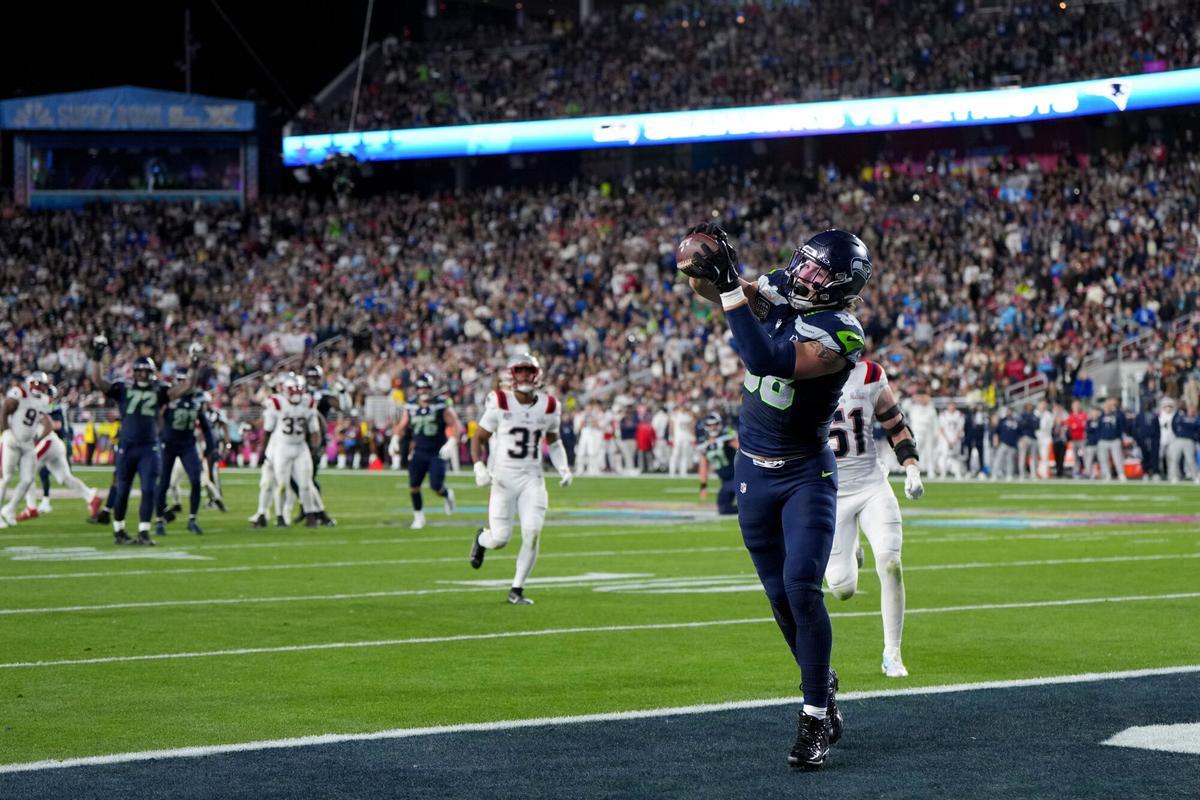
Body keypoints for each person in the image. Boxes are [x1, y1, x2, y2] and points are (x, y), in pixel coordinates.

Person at [682, 224, 873, 770]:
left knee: (802, 589)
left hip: (803, 475)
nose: (805, 273)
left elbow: (765, 360)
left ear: (842, 285)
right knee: (777, 596)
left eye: (820, 271)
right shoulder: (782, 287)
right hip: (752, 472)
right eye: (806, 262)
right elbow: (721, 289)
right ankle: (823, 683)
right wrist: (709, 266)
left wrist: (728, 292)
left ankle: (814, 716)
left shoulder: (843, 331)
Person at [825, 360, 924, 679]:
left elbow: (895, 424)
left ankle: (892, 653)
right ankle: (852, 542)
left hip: (871, 485)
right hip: (831, 491)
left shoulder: (868, 374)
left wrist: (911, 466)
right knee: (842, 589)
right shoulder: (803, 370)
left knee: (891, 563)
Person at [469, 353, 572, 605]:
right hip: (503, 479)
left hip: (532, 478)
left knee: (533, 532)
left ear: (536, 375)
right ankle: (482, 539)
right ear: (512, 375)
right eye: (520, 371)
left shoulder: (549, 405)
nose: (525, 375)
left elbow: (554, 441)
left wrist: (564, 467)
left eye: (529, 371)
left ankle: (517, 589)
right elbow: (478, 438)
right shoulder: (500, 401)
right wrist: (478, 466)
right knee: (500, 539)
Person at [90, 340, 201, 544]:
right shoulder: (123, 387)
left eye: (146, 371)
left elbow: (186, 387)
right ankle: (119, 530)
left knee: (150, 489)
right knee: (122, 490)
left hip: (149, 447)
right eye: (140, 371)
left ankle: (143, 531)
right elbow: (98, 381)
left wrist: (194, 364)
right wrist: (96, 356)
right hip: (127, 445)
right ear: (135, 372)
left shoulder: (159, 390)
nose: (143, 375)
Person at [17, 385, 103, 521]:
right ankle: (91, 497)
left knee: (27, 471)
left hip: (49, 442)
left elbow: (55, 425)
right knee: (64, 478)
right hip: (54, 444)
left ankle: (31, 507)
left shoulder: (51, 407)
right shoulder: (40, 406)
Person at [250, 373, 324, 527]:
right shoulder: (276, 402)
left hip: (300, 446)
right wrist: (263, 452)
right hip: (282, 447)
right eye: (293, 390)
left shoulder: (308, 403)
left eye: (298, 390)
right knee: (281, 484)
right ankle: (279, 516)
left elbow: (315, 430)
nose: (296, 393)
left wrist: (315, 450)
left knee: (305, 484)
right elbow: (268, 430)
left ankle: (311, 515)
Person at [390, 373, 459, 530]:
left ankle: (447, 494)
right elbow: (402, 425)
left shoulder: (440, 404)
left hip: (437, 451)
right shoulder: (411, 405)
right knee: (414, 486)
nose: (423, 391)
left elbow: (455, 424)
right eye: (420, 388)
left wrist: (452, 441)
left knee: (436, 486)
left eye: (426, 387)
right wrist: (394, 438)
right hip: (419, 451)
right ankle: (419, 517)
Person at [154, 367, 216, 536]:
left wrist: (212, 446)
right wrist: (159, 437)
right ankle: (159, 520)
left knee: (196, 481)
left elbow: (205, 426)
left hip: (188, 444)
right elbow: (155, 417)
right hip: (169, 444)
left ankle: (192, 519)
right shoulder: (168, 399)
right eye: (181, 382)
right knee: (164, 482)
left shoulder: (196, 401)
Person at [0, 372, 55, 527]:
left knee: (28, 479)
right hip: (12, 439)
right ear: (33, 383)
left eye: (44, 385)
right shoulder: (20, 393)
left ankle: (9, 509)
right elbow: (5, 408)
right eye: (41, 384)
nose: (43, 387)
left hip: (28, 444)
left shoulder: (44, 400)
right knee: (5, 479)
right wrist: (5, 431)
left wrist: (37, 439)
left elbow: (47, 423)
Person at [697, 413, 738, 515]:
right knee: (723, 509)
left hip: (737, 477)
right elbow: (703, 466)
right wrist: (703, 486)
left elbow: (742, 450)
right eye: (710, 425)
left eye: (715, 424)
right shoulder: (704, 443)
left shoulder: (727, 437)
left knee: (748, 503)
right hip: (725, 481)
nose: (713, 427)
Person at [904, 392, 938, 476]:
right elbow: (904, 406)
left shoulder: (931, 408)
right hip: (917, 433)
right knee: (916, 452)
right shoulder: (914, 407)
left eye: (925, 397)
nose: (923, 399)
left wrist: (935, 434)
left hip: (928, 433)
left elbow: (935, 423)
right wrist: (914, 398)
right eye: (922, 397)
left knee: (929, 452)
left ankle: (931, 471)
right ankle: (913, 471)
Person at [1167, 401, 1199, 482]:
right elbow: (1173, 425)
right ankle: (1173, 477)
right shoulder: (1179, 415)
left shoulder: (1195, 418)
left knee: (1190, 460)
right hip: (1179, 439)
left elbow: (1196, 427)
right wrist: (1177, 434)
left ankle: (1195, 476)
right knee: (1174, 459)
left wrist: (1194, 437)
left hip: (1189, 440)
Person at [1096, 397, 1127, 481]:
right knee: (1103, 459)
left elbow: (1123, 423)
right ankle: (1107, 474)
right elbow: (1097, 426)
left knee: (1118, 458)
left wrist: (1115, 410)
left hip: (1114, 439)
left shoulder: (1118, 414)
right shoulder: (1101, 414)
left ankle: (1121, 474)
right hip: (1103, 439)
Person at [935, 400, 966, 479]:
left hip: (956, 438)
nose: (951, 407)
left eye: (953, 405)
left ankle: (957, 473)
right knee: (944, 456)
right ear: (948, 406)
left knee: (957, 456)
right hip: (946, 438)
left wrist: (955, 439)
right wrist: (948, 440)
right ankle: (943, 473)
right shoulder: (943, 415)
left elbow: (961, 428)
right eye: (950, 405)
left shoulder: (959, 415)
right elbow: (941, 429)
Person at [1133, 403, 1161, 480]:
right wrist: (1137, 439)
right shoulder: (1140, 416)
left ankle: (1155, 472)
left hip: (1153, 439)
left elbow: (1157, 428)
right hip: (1143, 439)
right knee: (1145, 457)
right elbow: (1135, 428)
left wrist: (1157, 439)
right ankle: (1145, 472)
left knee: (1154, 456)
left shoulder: (1154, 415)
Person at [667, 400, 696, 476]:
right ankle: (672, 472)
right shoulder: (675, 414)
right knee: (675, 454)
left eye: (683, 405)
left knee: (684, 455)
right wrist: (671, 437)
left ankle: (683, 472)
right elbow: (671, 426)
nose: (682, 407)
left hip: (686, 437)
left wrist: (693, 437)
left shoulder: (688, 416)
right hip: (677, 438)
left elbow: (691, 427)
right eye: (681, 405)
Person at [991, 408, 1019, 480]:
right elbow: (996, 431)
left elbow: (1019, 433)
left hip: (1012, 444)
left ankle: (1009, 475)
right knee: (998, 459)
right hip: (1003, 443)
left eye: (1010, 412)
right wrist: (996, 440)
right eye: (1008, 412)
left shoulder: (1016, 421)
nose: (1009, 413)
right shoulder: (1002, 421)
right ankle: (994, 474)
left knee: (1010, 461)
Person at [1016, 402, 1039, 479]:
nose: (1030, 407)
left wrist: (1028, 423)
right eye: (1028, 406)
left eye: (1031, 406)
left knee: (1034, 457)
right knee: (1022, 456)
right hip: (1024, 437)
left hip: (1033, 438)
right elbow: (1020, 425)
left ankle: (1034, 474)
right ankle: (1022, 474)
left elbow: (1036, 426)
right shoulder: (1022, 415)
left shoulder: (1034, 415)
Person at [1050, 405, 1070, 479]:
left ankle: (1060, 472)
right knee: (1056, 458)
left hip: (1062, 443)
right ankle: (1058, 471)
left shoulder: (1064, 426)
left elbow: (1068, 434)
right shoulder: (1053, 427)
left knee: (1061, 458)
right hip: (1056, 443)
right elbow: (1052, 434)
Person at [1082, 408, 1101, 479]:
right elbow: (1087, 430)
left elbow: (1100, 431)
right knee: (1089, 460)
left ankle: (1101, 474)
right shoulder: (1088, 422)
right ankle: (1088, 474)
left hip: (1099, 444)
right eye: (1093, 413)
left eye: (1096, 413)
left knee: (1101, 460)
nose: (1094, 414)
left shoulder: (1100, 421)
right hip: (1090, 443)